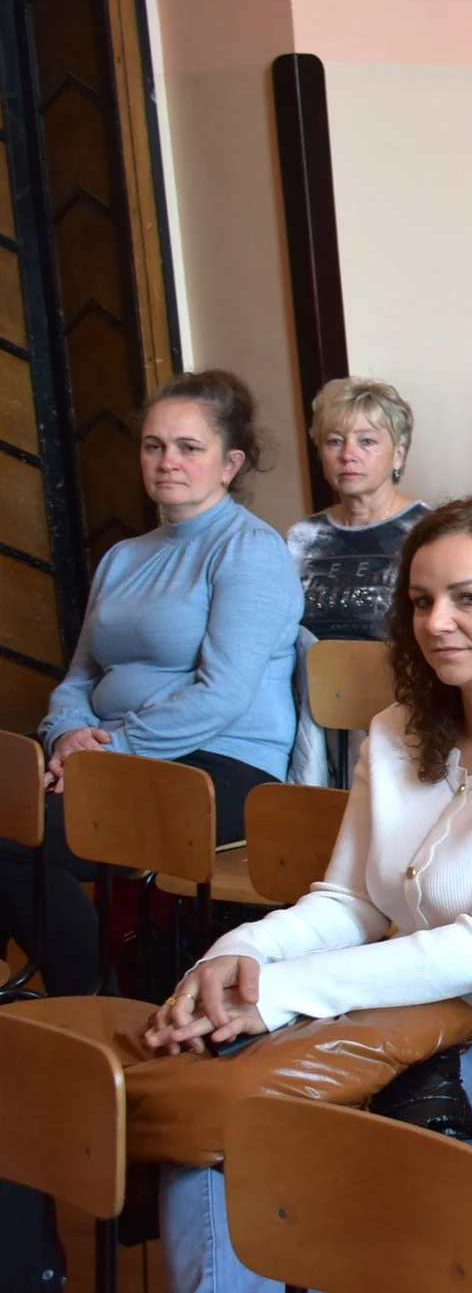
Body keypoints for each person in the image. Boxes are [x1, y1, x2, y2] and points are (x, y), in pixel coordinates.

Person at [141, 490, 472, 1293]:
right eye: (421, 600)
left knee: (271, 1152)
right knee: (209, 1135)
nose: (437, 620)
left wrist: (278, 994)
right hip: (395, 1027)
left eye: (470, 598)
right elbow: (349, 903)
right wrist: (232, 958)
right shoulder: (396, 729)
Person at [1, 371, 301, 999]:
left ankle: (88, 1008)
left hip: (219, 769)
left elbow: (222, 695)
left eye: (189, 447)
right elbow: (81, 674)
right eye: (153, 445)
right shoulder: (124, 556)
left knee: (16, 840)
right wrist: (65, 737)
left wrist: (105, 754)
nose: (168, 462)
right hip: (108, 759)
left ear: (229, 463)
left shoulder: (250, 551)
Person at [287, 377, 428, 641]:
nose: (348, 454)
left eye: (367, 442)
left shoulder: (427, 531)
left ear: (398, 454)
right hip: (313, 678)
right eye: (335, 441)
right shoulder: (302, 537)